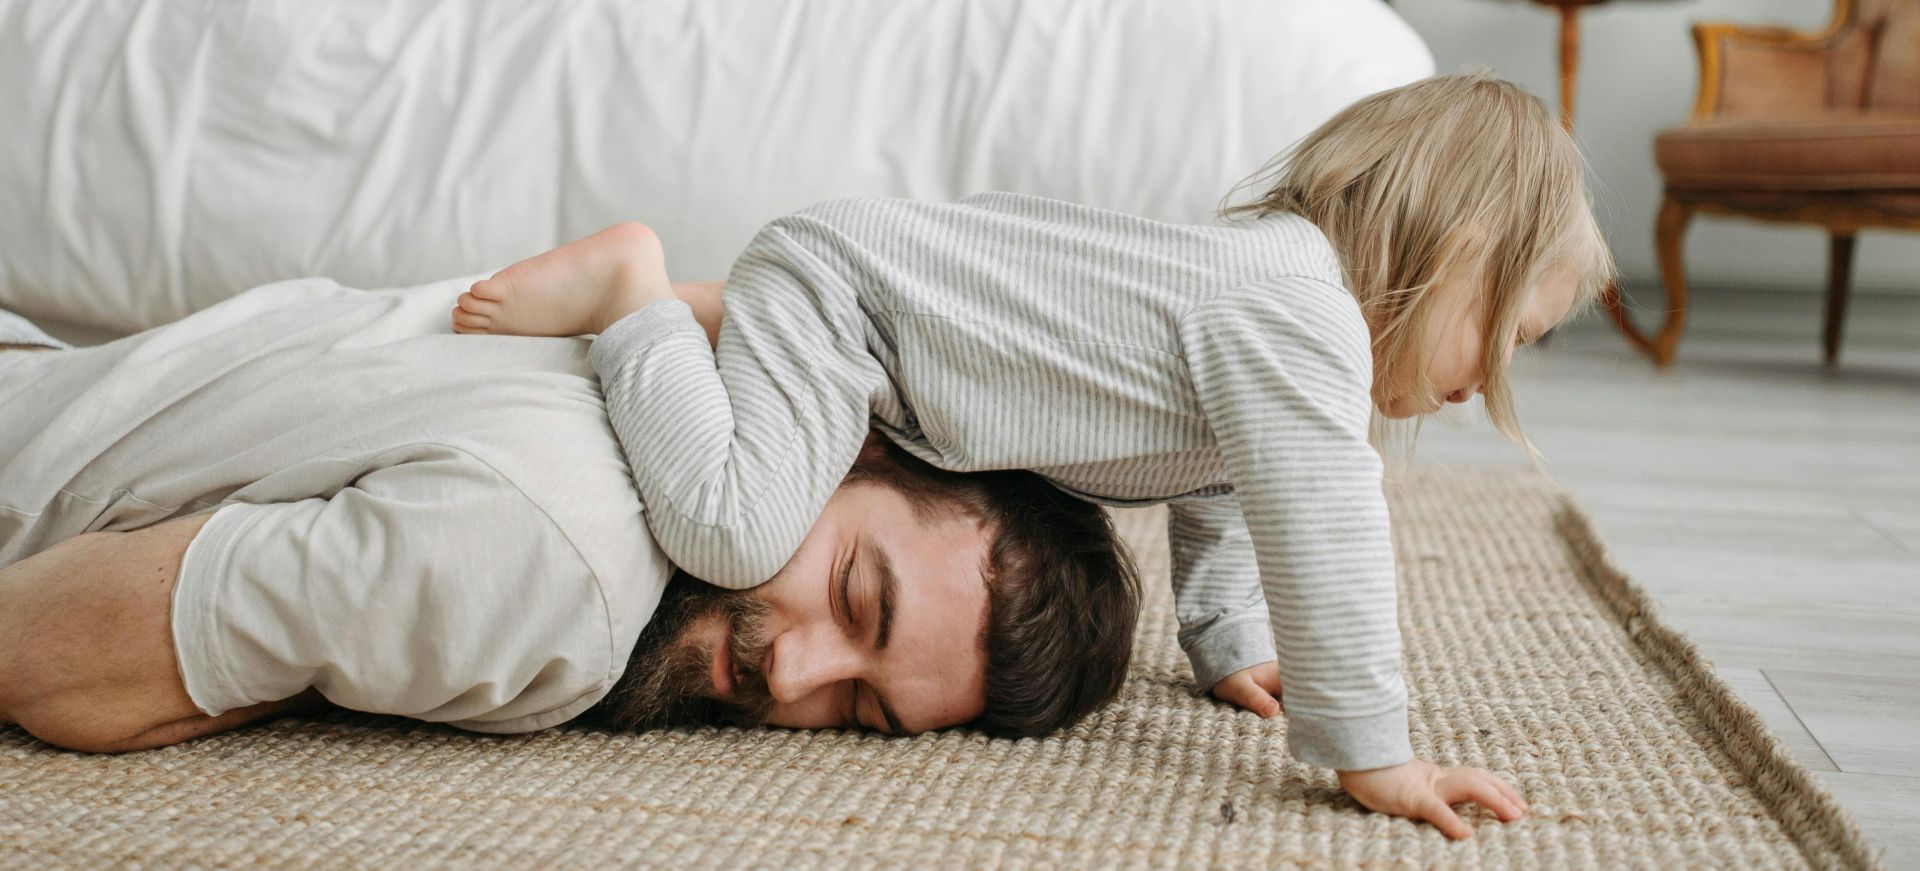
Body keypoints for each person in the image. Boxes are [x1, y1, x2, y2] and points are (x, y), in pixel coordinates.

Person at [453, 71, 1614, 838]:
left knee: (765, 479)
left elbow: (1224, 490)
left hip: (878, 326)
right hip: (848, 303)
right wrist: (1372, 751)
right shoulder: (1298, 316)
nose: (1477, 385)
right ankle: (636, 299)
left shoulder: (1271, 307)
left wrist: (1229, 644)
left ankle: (724, 319)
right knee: (732, 524)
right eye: (1504, 336)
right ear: (1456, 254)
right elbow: (1328, 525)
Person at [0, 278, 1139, 752]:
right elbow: (35, 657)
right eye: (852, 592)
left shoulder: (647, 358)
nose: (793, 675)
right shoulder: (561, 575)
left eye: (863, 713)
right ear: (853, 442)